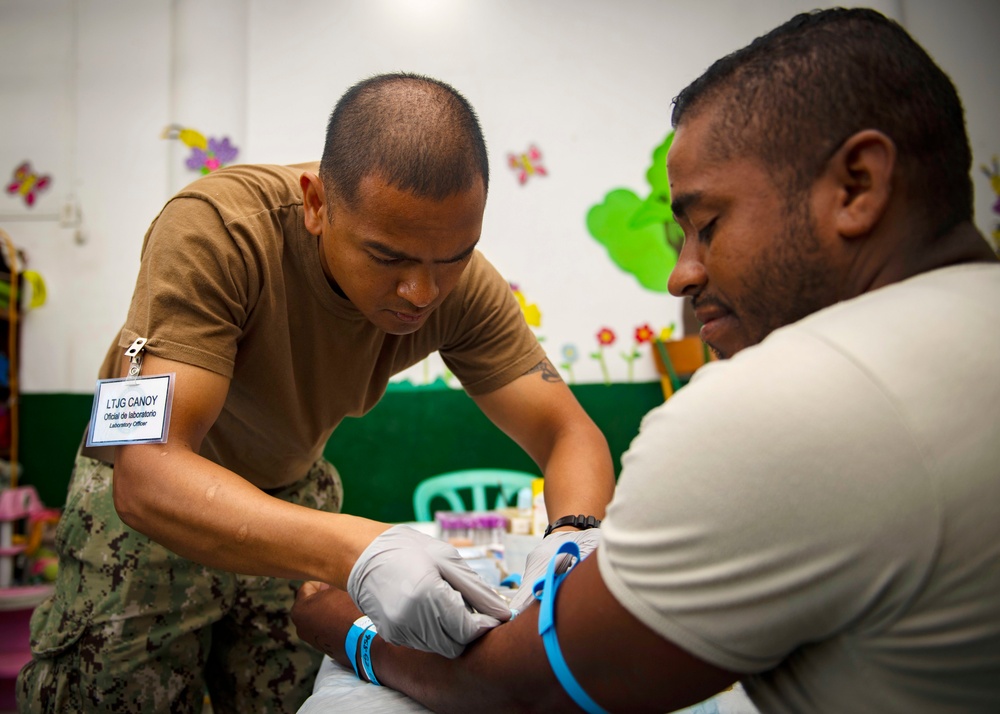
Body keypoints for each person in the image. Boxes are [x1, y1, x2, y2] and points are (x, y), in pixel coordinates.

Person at [290, 8, 1000, 713]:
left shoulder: (781, 404)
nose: (681, 276)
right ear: (316, 207)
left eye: (706, 226)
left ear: (856, 186)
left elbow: (517, 688)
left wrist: (341, 629)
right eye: (386, 255)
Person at [17, 73, 616, 713]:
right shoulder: (217, 232)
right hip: (150, 512)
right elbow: (146, 473)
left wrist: (574, 538)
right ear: (316, 204)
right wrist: (357, 547)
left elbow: (567, 432)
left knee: (290, 696)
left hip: (289, 493)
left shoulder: (456, 284)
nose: (423, 291)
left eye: (454, 257)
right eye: (388, 257)